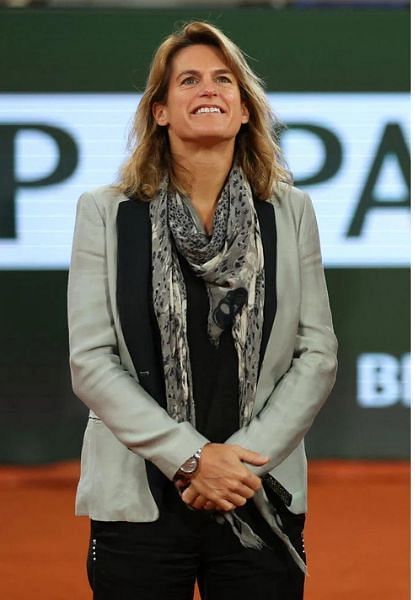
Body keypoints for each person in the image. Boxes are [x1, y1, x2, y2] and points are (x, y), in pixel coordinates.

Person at [67, 21, 337, 599]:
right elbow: (91, 360)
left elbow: (317, 353)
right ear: (160, 111)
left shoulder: (290, 211)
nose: (207, 89)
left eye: (223, 79)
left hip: (257, 491)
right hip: (139, 497)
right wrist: (192, 459)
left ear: (244, 109)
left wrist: (240, 468)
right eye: (187, 80)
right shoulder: (105, 212)